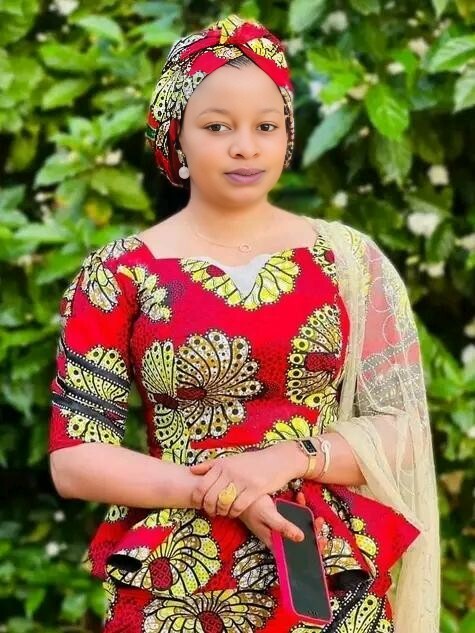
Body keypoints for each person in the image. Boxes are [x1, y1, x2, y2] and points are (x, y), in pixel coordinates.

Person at [48, 14, 440, 633]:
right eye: (217, 126)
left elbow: (403, 433)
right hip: (176, 576)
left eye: (266, 126)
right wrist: (226, 490)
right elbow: (75, 458)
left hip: (326, 568)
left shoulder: (346, 262)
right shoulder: (119, 272)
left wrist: (287, 459)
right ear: (175, 135)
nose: (245, 147)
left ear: (288, 134)